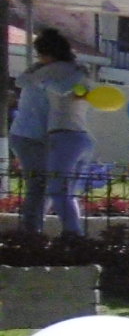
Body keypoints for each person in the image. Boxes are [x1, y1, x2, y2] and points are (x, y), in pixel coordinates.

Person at [18, 31, 93, 236]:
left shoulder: (50, 71)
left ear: (46, 54)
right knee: (69, 193)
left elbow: (22, 81)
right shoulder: (81, 72)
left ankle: (71, 234)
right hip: (83, 138)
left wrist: (38, 75)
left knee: (55, 191)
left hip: (62, 137)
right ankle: (75, 233)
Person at [8, 35, 52, 234]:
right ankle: (31, 231)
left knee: (42, 184)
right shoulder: (43, 77)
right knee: (39, 184)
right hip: (30, 136)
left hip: (28, 135)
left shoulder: (36, 74)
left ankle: (33, 228)